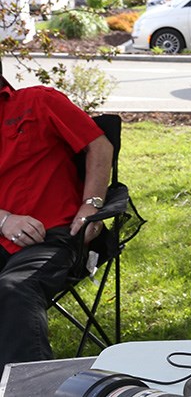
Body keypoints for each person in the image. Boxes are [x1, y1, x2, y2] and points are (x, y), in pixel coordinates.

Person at [0, 61, 113, 369]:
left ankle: (27, 389)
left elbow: (99, 146)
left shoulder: (38, 101)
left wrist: (92, 203)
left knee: (14, 288)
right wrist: (5, 220)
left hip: (54, 235)